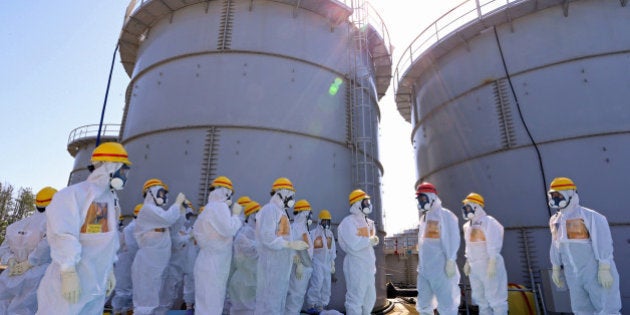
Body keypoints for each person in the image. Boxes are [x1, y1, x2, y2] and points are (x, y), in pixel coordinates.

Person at [37, 142, 131, 314]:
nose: (125, 176)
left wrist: (109, 269)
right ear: (109, 167)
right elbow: (63, 234)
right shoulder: (72, 195)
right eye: (123, 170)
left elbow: (110, 239)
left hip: (96, 283)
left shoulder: (112, 201)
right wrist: (68, 272)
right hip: (70, 281)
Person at [547, 177, 621, 314]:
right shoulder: (555, 220)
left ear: (570, 194)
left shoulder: (590, 216)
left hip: (595, 273)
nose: (555, 198)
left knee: (607, 309)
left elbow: (603, 241)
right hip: (573, 276)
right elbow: (556, 245)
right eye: (553, 195)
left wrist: (604, 267)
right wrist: (556, 268)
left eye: (559, 194)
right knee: (581, 310)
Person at [132, 178, 187, 315]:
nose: (164, 197)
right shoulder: (147, 210)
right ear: (151, 193)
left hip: (159, 263)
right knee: (145, 301)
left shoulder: (158, 213)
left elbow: (173, 228)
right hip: (148, 263)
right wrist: (176, 204)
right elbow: (168, 219)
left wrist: (181, 212)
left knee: (155, 299)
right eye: (161, 193)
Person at [254, 177, 308, 315]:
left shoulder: (281, 213)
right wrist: (290, 244)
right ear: (281, 193)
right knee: (268, 304)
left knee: (277, 304)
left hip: (280, 268)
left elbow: (283, 238)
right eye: (290, 194)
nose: (292, 198)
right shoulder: (270, 210)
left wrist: (293, 255)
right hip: (271, 266)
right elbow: (267, 237)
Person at [0, 186, 56, 314]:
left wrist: (11, 260)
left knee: (2, 304)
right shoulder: (52, 225)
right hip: (36, 275)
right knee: (24, 310)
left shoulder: (15, 226)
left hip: (10, 274)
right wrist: (29, 263)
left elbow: (3, 249)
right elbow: (45, 249)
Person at [193, 176, 243, 314]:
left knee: (204, 305)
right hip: (215, 265)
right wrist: (236, 216)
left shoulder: (208, 209)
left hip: (206, 261)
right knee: (212, 304)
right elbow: (229, 229)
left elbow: (196, 233)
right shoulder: (219, 207)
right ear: (226, 192)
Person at [415, 182, 460, 315]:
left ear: (431, 197)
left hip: (441, 269)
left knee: (447, 306)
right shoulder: (424, 218)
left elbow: (452, 238)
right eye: (419, 199)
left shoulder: (445, 215)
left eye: (423, 198)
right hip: (424, 270)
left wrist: (451, 260)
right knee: (423, 305)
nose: (421, 202)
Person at [461, 193, 507, 315]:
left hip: (488, 264)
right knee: (481, 300)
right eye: (465, 207)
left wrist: (492, 260)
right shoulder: (467, 226)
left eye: (468, 206)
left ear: (477, 206)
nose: (466, 210)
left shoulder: (489, 222)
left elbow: (494, 240)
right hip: (474, 267)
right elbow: (469, 246)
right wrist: (467, 261)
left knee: (496, 299)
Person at [337, 189, 378, 315]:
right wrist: (369, 241)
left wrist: (371, 241)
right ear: (357, 204)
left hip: (368, 267)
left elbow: (368, 245)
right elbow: (353, 244)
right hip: (356, 266)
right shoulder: (348, 222)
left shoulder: (369, 223)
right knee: (355, 299)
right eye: (365, 202)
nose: (368, 204)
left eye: (368, 201)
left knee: (370, 299)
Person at [228, 200, 261, 315]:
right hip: (243, 280)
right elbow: (252, 251)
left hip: (251, 279)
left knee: (249, 309)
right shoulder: (243, 233)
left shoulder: (255, 234)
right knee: (242, 310)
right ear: (252, 215)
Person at [285, 199, 315, 315]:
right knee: (295, 296)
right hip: (299, 268)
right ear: (303, 213)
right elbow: (291, 246)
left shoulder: (304, 229)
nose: (310, 216)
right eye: (308, 213)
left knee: (298, 296)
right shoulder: (295, 228)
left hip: (305, 267)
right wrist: (298, 264)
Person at [112, 204, 142, 315]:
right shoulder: (130, 229)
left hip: (132, 261)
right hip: (126, 261)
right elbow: (132, 247)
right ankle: (117, 311)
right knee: (122, 289)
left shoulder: (138, 228)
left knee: (131, 290)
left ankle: (126, 310)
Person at [305, 209, 336, 314]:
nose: (326, 223)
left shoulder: (330, 234)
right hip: (317, 263)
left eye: (328, 221)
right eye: (324, 221)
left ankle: (321, 306)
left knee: (326, 286)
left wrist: (332, 263)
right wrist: (308, 263)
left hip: (327, 265)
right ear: (320, 221)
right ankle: (311, 305)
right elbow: (309, 250)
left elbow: (332, 250)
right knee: (316, 284)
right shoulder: (313, 233)